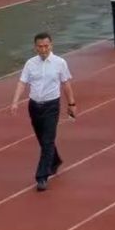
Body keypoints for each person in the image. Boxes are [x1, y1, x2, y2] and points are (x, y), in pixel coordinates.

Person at [10, 32, 75, 191]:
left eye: (46, 46)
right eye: (40, 46)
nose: (43, 49)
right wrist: (15, 101)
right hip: (34, 106)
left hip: (51, 106)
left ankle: (42, 176)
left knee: (47, 140)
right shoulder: (30, 64)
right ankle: (55, 160)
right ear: (35, 47)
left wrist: (71, 103)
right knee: (43, 139)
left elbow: (66, 84)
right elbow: (22, 83)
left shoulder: (60, 63)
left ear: (51, 45)